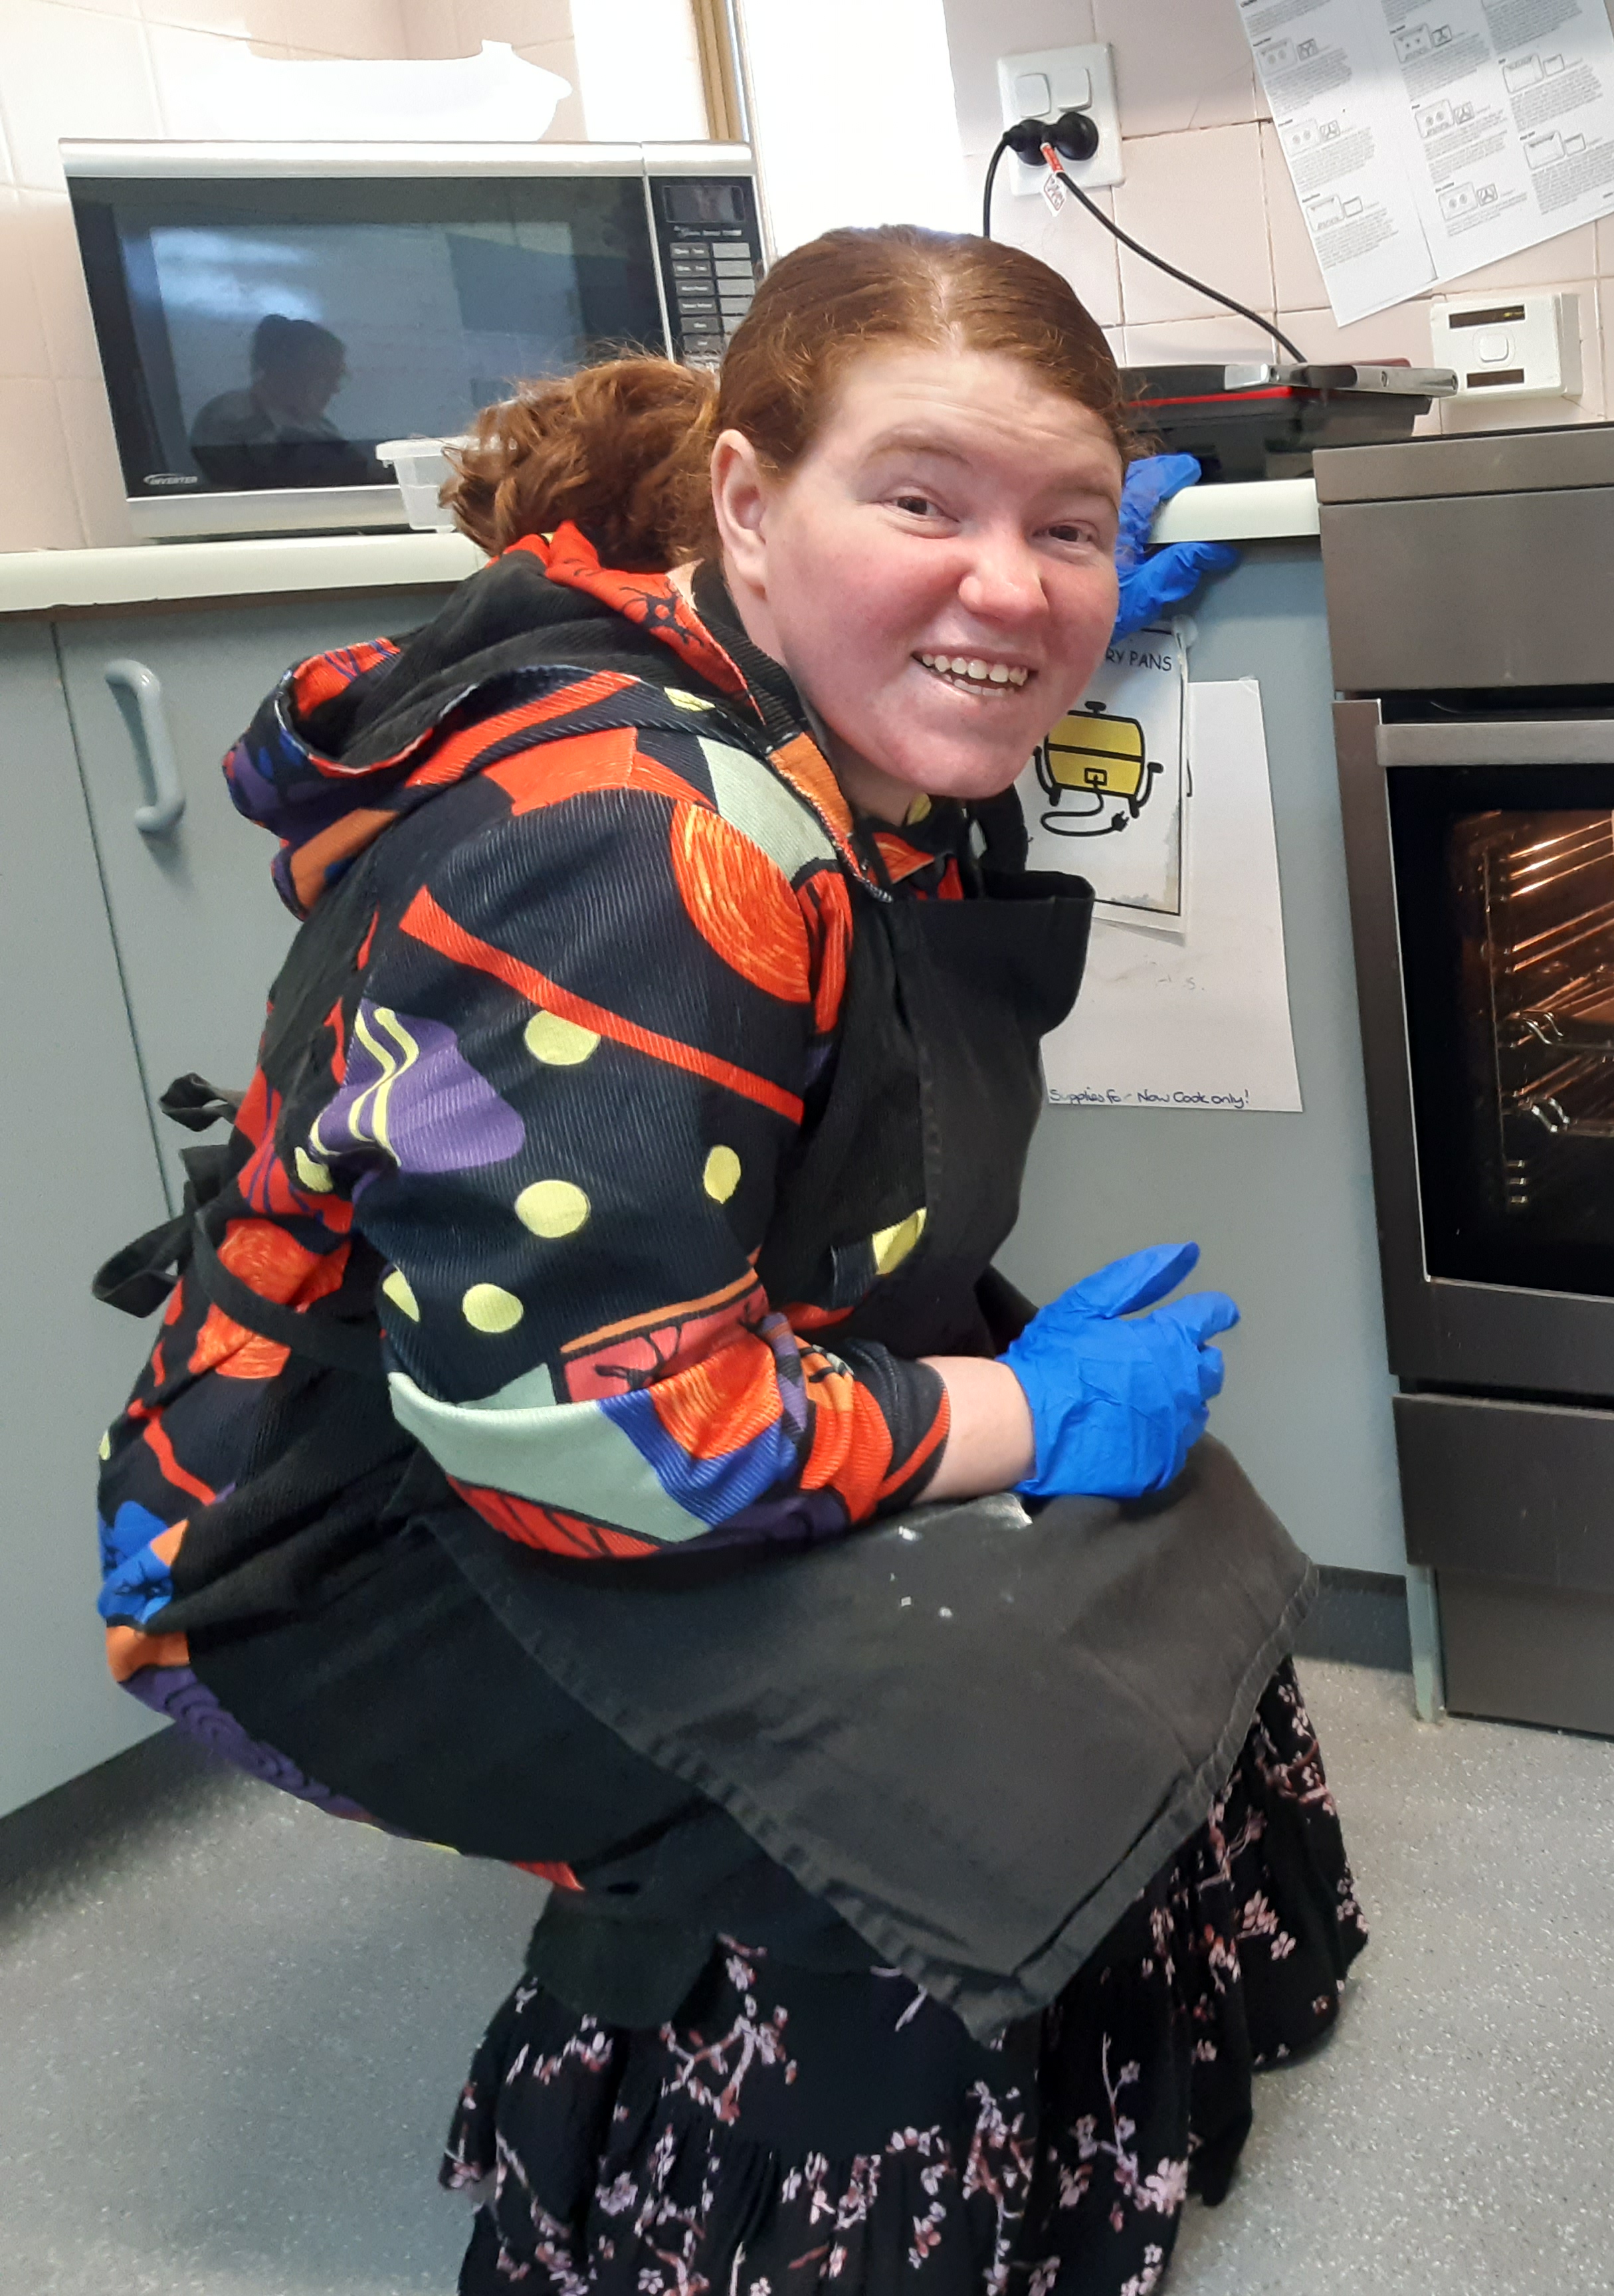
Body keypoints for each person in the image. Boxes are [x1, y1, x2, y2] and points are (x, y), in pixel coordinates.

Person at [90, 225, 1357, 2294]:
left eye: (1070, 527)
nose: (1017, 582)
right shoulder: (633, 849)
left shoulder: (769, 699)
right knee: (950, 1780)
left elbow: (933, 669)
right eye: (922, 503)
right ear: (750, 510)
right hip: (351, 1545)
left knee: (1148, 1554)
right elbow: (591, 1440)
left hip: (578, 1386)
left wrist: (1011, 615)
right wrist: (1016, 1414)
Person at [188, 312, 367, 490]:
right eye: (326, 376)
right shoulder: (229, 418)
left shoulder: (320, 426)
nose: (335, 388)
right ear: (287, 371)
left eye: (338, 377)